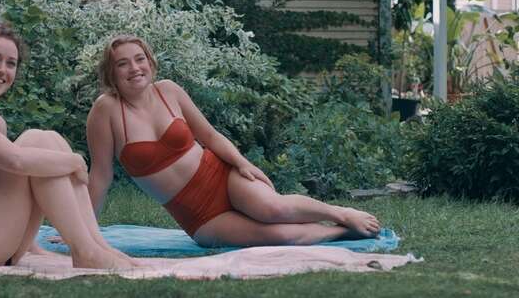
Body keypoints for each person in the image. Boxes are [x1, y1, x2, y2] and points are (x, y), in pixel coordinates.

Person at [87, 35, 381, 248]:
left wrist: (242, 163)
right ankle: (342, 232)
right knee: (278, 236)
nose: (134, 68)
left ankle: (341, 213)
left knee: (273, 210)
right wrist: (85, 229)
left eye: (139, 59)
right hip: (198, 215)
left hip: (222, 176)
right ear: (111, 72)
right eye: (122, 63)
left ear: (150, 62)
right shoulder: (106, 110)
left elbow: (210, 136)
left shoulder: (169, 91)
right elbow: (100, 175)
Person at [0, 23, 135, 268]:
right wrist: (74, 161)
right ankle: (85, 251)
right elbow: (16, 162)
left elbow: (8, 193)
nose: (2, 69)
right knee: (36, 141)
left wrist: (32, 247)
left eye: (11, 63)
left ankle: (97, 246)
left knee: (48, 139)